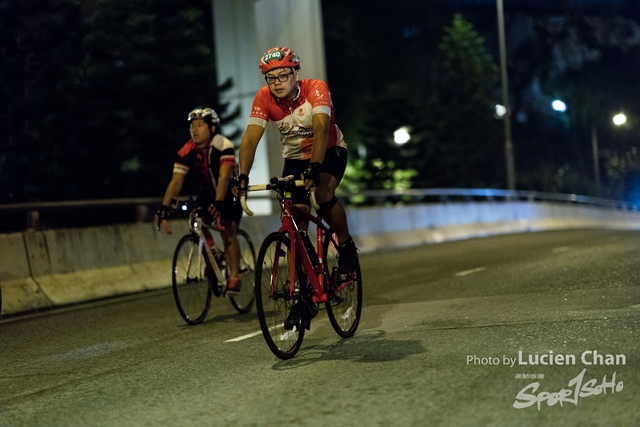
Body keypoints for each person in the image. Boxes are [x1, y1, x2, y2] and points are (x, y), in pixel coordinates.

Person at [235, 46, 358, 277]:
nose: (277, 83)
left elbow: (321, 128)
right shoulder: (263, 97)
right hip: (294, 160)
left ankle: (346, 245)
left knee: (322, 195)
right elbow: (250, 139)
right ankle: (304, 293)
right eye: (271, 78)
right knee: (294, 223)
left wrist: (315, 166)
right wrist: (243, 176)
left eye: (283, 75)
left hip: (329, 152)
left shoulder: (316, 88)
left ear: (296, 74)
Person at [157, 107, 244, 294]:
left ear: (212, 128)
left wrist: (219, 203)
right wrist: (165, 206)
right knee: (196, 222)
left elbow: (223, 177)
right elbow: (176, 180)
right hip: (208, 192)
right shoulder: (187, 150)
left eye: (200, 125)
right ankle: (215, 254)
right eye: (192, 126)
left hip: (230, 192)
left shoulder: (223, 145)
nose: (194, 130)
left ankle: (235, 277)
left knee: (228, 229)